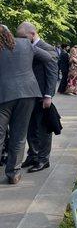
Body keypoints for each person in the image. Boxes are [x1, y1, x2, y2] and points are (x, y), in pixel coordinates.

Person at [0, 25, 53, 184]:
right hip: (28, 93)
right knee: (19, 134)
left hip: (4, 95)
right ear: (9, 34)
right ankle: (13, 173)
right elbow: (48, 57)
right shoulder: (25, 44)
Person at [16, 22, 58, 174]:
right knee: (30, 128)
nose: (20, 40)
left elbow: (52, 74)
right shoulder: (25, 47)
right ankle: (33, 155)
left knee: (43, 129)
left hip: (41, 96)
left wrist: (48, 95)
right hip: (28, 95)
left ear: (32, 34)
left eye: (23, 37)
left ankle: (43, 159)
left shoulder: (48, 49)